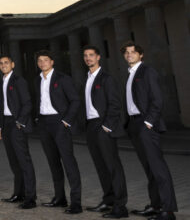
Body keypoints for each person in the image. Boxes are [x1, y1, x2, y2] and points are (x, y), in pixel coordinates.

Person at [122, 42, 177, 220]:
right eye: (127, 52)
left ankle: (168, 211)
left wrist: (148, 122)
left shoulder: (147, 71)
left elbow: (157, 100)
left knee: (158, 169)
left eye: (133, 52)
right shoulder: (130, 74)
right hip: (134, 124)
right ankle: (156, 205)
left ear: (141, 54)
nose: (129, 55)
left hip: (145, 124)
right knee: (149, 169)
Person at [80, 45, 128, 218]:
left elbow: (115, 104)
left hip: (103, 126)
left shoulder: (106, 78)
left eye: (91, 55)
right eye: (85, 56)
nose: (88, 58)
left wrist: (107, 126)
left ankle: (120, 206)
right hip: (91, 126)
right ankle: (108, 200)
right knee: (101, 166)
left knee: (112, 166)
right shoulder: (87, 78)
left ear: (98, 57)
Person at [34, 50, 82, 215]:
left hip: (60, 123)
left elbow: (75, 100)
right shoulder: (38, 80)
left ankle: (76, 203)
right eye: (39, 61)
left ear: (52, 62)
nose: (42, 63)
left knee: (69, 162)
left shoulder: (63, 79)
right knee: (53, 163)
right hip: (44, 124)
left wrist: (66, 121)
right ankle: (60, 198)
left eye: (45, 60)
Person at [0, 55, 36, 210]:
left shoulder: (19, 81)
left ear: (13, 64)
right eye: (1, 63)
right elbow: (0, 106)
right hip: (5, 124)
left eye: (6, 62)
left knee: (24, 161)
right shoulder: (1, 82)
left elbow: (27, 103)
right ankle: (19, 194)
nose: (4, 65)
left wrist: (20, 122)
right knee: (14, 162)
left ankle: (31, 197)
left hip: (16, 123)